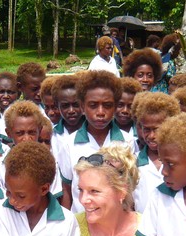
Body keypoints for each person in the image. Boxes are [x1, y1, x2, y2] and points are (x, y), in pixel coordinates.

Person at [58, 70, 135, 213]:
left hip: (116, 218)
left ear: (115, 106)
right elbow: (67, 189)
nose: (100, 112)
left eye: (107, 105)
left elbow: (130, 188)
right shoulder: (69, 144)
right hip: (82, 218)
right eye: (93, 105)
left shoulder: (128, 142)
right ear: (82, 106)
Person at [133, 92, 181, 213]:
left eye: (157, 129)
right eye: (146, 129)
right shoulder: (132, 162)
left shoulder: (181, 161)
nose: (151, 136)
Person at [0, 72, 19, 139]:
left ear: (18, 94)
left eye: (10, 92)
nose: (6, 96)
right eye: (1, 92)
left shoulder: (20, 116)